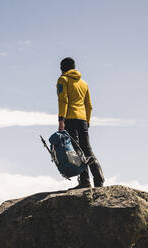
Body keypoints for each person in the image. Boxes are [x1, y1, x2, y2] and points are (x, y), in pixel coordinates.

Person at [57, 57, 105, 188]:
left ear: (62, 68)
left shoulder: (63, 80)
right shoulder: (84, 83)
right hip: (83, 119)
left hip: (70, 119)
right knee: (87, 149)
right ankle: (99, 179)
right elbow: (89, 105)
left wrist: (61, 120)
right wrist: (87, 121)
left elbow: (63, 101)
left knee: (78, 150)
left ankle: (85, 182)